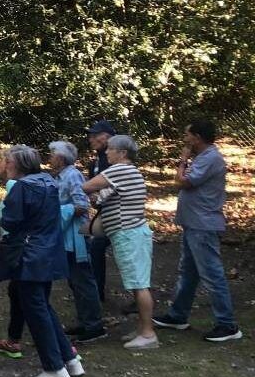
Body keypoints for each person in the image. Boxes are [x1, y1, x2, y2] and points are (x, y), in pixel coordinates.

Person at [0, 145, 83, 377]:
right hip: (48, 253)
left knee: (36, 312)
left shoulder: (23, 188)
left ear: (20, 164)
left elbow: (10, 221)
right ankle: (70, 359)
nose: (7, 165)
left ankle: (54, 368)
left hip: (29, 257)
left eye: (10, 161)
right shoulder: (49, 182)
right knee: (44, 307)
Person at [154, 120, 242, 342]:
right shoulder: (204, 157)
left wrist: (182, 160)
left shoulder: (211, 157)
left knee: (212, 274)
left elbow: (183, 182)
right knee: (189, 272)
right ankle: (178, 315)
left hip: (203, 225)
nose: (185, 139)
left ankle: (227, 325)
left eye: (188, 135)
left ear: (198, 137)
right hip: (193, 223)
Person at [82, 135, 158, 350]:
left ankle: (148, 334)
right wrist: (95, 196)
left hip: (129, 234)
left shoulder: (120, 170)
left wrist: (86, 188)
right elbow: (100, 198)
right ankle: (143, 327)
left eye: (110, 149)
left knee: (139, 284)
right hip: (130, 234)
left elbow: (87, 186)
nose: (106, 152)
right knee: (136, 283)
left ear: (122, 153)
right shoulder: (126, 173)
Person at [49, 141, 106, 343]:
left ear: (62, 158)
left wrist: (58, 213)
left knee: (83, 279)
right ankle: (85, 321)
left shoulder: (72, 175)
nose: (50, 157)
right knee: (75, 280)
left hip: (75, 235)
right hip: (66, 235)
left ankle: (94, 325)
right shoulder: (61, 175)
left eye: (53, 154)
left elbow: (81, 204)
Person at [0, 148, 25, 359]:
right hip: (14, 245)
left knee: (29, 297)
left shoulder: (14, 185)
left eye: (1, 160)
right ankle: (13, 339)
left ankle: (64, 350)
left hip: (18, 249)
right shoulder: (13, 185)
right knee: (19, 293)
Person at [84, 120, 116, 302]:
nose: (91, 139)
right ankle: (96, 291)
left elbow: (115, 186)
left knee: (97, 246)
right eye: (90, 135)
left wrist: (97, 196)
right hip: (103, 212)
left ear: (108, 136)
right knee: (95, 247)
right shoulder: (96, 160)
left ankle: (96, 292)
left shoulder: (113, 161)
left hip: (117, 214)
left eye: (95, 135)